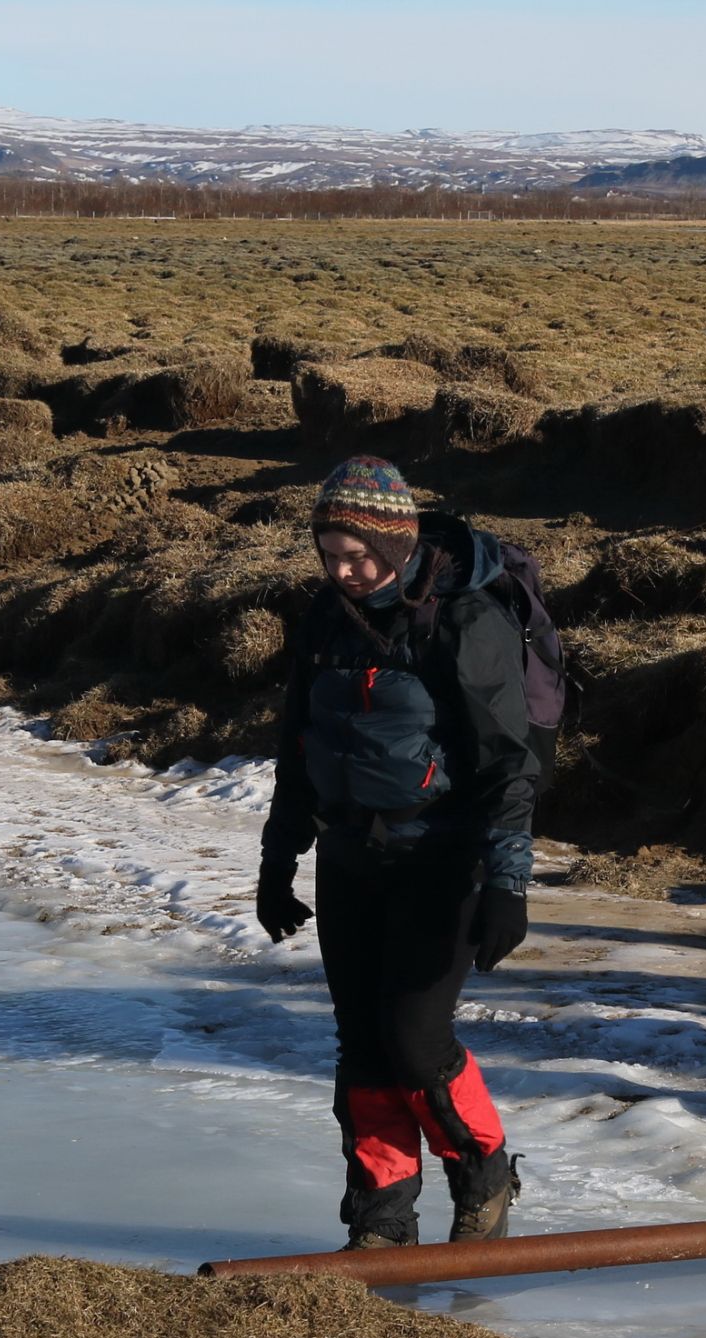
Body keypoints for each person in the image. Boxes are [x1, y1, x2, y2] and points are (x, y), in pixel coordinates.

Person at [255, 456, 535, 1249]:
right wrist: (278, 863)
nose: (342, 571)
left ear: (396, 543)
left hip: (443, 859)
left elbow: (508, 765)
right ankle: (382, 1216)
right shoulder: (326, 618)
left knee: (415, 1040)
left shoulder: (464, 619)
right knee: (364, 1048)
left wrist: (508, 884)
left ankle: (483, 1175)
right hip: (349, 856)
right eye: (329, 555)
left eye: (357, 556)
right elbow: (297, 747)